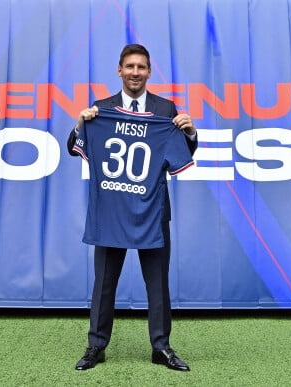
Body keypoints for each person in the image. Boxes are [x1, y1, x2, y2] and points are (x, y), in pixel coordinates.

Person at [67, 44, 197, 372]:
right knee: (104, 283)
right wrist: (80, 124)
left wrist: (191, 133)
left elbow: (183, 151)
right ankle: (96, 345)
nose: (135, 72)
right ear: (119, 70)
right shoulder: (100, 109)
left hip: (152, 211)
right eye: (130, 67)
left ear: (149, 72)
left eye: (141, 67)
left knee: (158, 283)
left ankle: (161, 347)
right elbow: (73, 148)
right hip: (111, 211)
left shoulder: (166, 110)